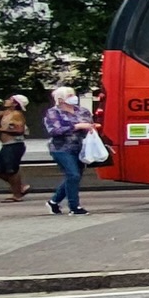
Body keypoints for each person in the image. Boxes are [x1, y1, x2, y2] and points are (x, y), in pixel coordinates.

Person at [42, 86, 96, 215]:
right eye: (69, 96)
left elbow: (90, 124)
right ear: (60, 99)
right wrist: (77, 126)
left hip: (81, 148)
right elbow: (54, 131)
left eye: (73, 95)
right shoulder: (53, 112)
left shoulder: (83, 111)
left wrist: (91, 127)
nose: (73, 98)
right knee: (73, 175)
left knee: (73, 177)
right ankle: (74, 206)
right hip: (61, 148)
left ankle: (54, 202)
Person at [0, 94, 31, 201]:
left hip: (14, 145)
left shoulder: (17, 114)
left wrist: (0, 131)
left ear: (14, 103)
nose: (7, 100)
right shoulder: (8, 113)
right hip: (7, 145)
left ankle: (17, 194)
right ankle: (20, 187)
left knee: (12, 170)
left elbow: (19, 131)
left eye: (10, 99)